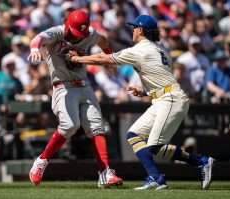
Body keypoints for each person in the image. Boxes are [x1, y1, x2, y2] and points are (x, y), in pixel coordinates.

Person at [66, 15, 214, 190]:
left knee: (155, 145)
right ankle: (155, 178)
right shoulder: (161, 50)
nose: (132, 30)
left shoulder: (140, 50)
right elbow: (162, 79)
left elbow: (103, 59)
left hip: (170, 99)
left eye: (134, 27)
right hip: (163, 98)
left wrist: (75, 59)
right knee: (134, 135)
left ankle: (200, 162)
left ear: (141, 30)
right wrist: (145, 92)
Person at [27, 10, 122, 188]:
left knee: (97, 128)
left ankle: (105, 173)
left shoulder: (90, 33)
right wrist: (34, 49)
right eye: (76, 32)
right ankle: (42, 160)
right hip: (63, 85)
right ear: (68, 25)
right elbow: (36, 40)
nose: (79, 38)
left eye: (82, 34)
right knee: (70, 126)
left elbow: (102, 41)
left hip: (84, 85)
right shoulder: (58, 32)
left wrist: (109, 58)